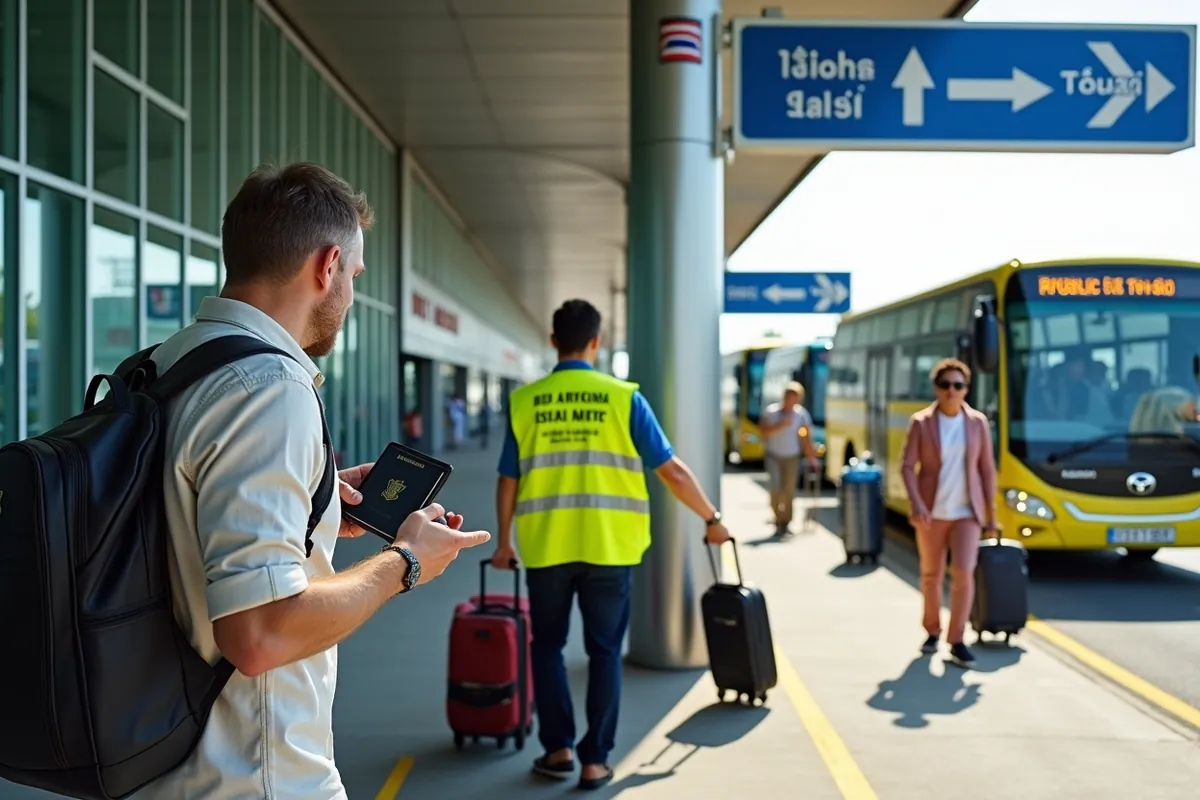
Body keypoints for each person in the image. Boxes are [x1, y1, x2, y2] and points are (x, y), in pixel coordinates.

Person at [135, 163, 492, 799]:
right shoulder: (269, 389)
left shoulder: (170, 364)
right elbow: (259, 633)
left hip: (161, 763)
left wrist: (318, 499)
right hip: (255, 777)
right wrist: (405, 562)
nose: (351, 295)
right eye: (354, 276)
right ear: (327, 266)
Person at [490, 299, 731, 791]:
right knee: (604, 653)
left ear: (554, 341)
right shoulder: (624, 399)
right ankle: (595, 762)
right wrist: (711, 518)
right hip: (610, 549)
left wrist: (504, 542)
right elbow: (672, 470)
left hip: (547, 548)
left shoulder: (526, 401)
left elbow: (508, 480)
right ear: (596, 343)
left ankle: (557, 750)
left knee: (548, 648)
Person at [899, 358, 998, 668]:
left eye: (958, 385)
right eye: (945, 385)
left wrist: (991, 516)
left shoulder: (977, 423)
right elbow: (907, 466)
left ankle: (956, 639)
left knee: (964, 572)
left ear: (966, 389)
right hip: (932, 512)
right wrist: (917, 503)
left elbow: (986, 470)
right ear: (936, 389)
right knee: (931, 575)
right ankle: (932, 631)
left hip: (967, 512)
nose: (952, 391)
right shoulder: (921, 422)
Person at [758, 381, 820, 534]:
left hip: (792, 456)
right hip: (773, 455)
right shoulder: (772, 412)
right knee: (775, 489)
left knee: (789, 490)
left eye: (795, 398)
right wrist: (781, 425)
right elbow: (763, 433)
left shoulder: (801, 415)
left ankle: (785, 522)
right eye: (789, 397)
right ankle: (778, 517)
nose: (792, 401)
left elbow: (805, 438)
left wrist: (812, 457)